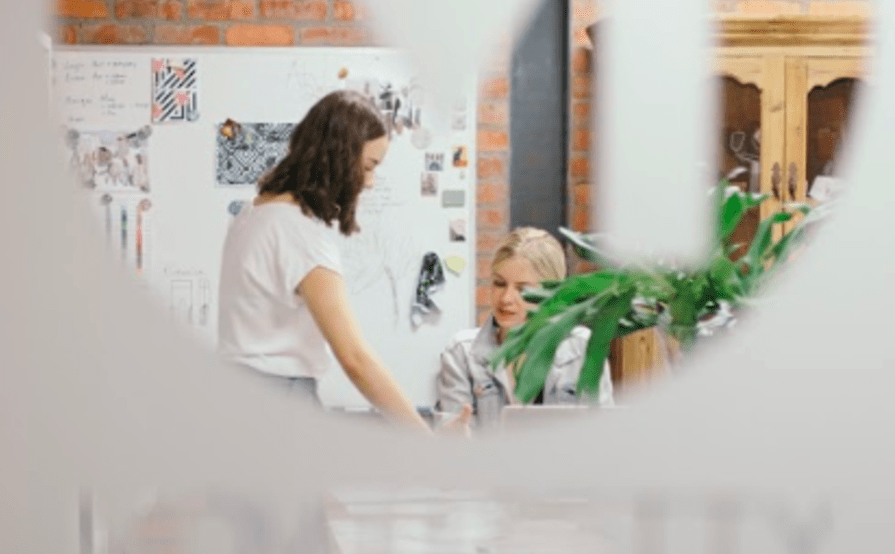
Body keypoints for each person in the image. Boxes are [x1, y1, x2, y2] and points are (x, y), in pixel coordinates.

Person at [217, 90, 470, 433]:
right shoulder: (299, 231)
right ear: (337, 157)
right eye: (368, 166)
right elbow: (354, 358)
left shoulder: (254, 213)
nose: (370, 181)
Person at [435, 227, 614, 430]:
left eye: (522, 289)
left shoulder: (585, 348)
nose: (506, 299)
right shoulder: (461, 353)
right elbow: (453, 435)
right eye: (499, 284)